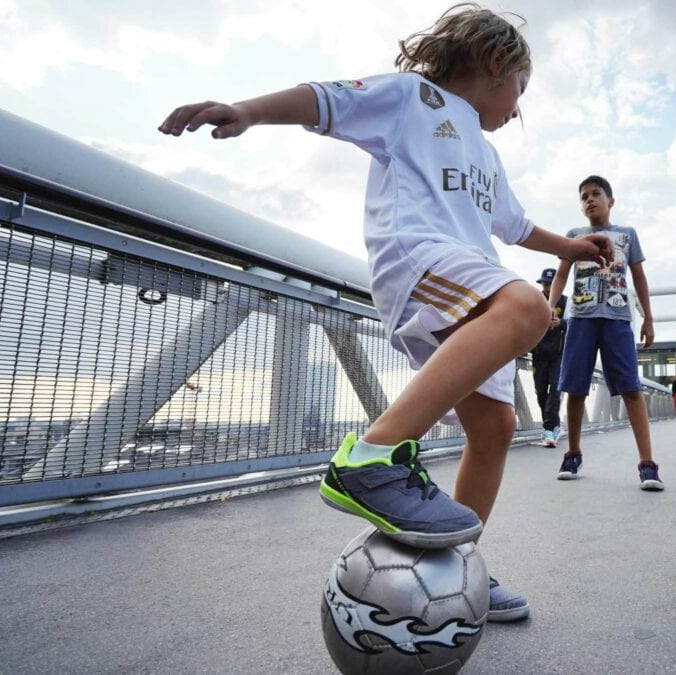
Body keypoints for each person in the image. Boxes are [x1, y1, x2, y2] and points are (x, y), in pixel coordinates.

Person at [159, 3, 614, 623]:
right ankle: (370, 457)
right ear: (495, 61)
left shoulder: (486, 155)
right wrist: (248, 111)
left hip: (467, 272)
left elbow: (513, 226)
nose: (518, 107)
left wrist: (571, 247)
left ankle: (455, 566)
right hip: (418, 257)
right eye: (520, 91)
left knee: (496, 427)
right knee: (527, 306)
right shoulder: (412, 100)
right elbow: (325, 101)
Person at [548, 175, 663, 490]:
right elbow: (560, 276)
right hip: (581, 318)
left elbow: (639, 277)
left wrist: (648, 318)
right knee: (575, 387)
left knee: (631, 389)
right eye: (584, 196)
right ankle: (572, 453)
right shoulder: (574, 237)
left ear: (611, 201)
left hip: (617, 319)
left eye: (596, 194)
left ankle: (647, 464)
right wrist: (550, 307)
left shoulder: (627, 235)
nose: (589, 200)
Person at [530, 268, 567, 447]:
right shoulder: (535, 301)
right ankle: (554, 426)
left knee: (555, 390)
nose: (547, 286)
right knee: (540, 391)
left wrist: (561, 323)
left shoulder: (567, 302)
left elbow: (575, 325)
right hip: (538, 354)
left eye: (550, 283)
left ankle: (549, 428)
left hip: (559, 354)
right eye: (544, 283)